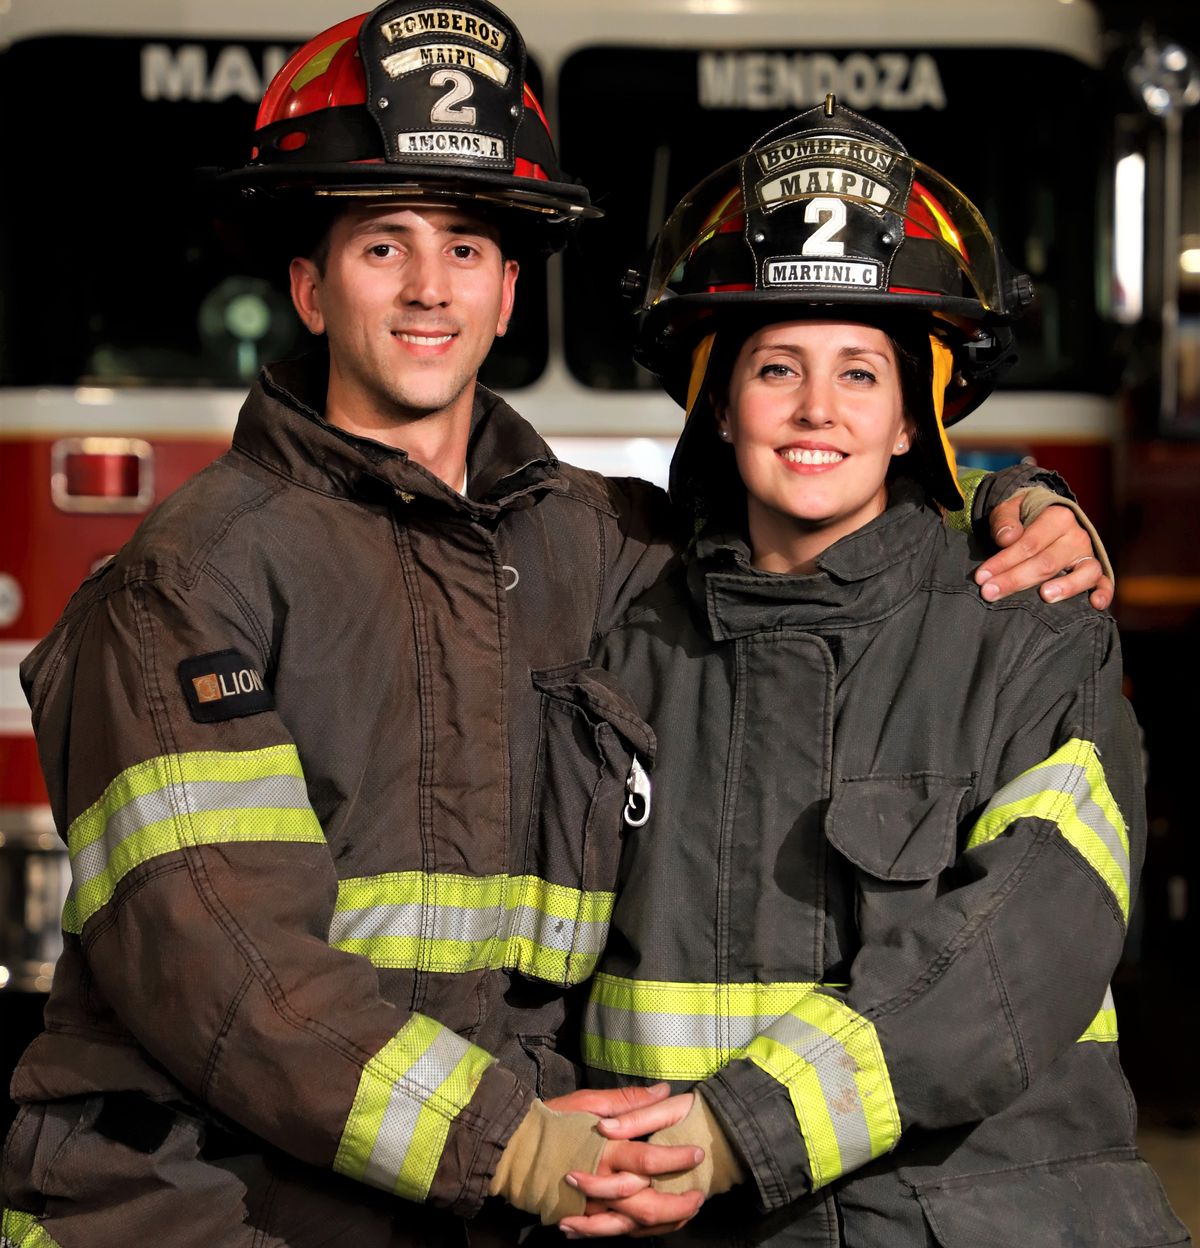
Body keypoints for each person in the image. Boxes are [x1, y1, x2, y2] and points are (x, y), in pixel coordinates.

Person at [0, 4, 1110, 1244]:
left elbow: (817, 540)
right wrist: (518, 1145)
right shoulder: (187, 581)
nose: (431, 289)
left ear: (510, 291)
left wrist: (1010, 497)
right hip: (207, 1202)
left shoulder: (590, 547)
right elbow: (225, 963)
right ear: (309, 289)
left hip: (456, 1209)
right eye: (384, 247)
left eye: (468, 248)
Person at [560, 103, 1191, 1246]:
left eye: (860, 372)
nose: (817, 411)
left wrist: (733, 1130)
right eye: (775, 368)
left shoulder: (1034, 630)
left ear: (915, 419)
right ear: (719, 400)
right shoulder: (625, 639)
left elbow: (1019, 943)